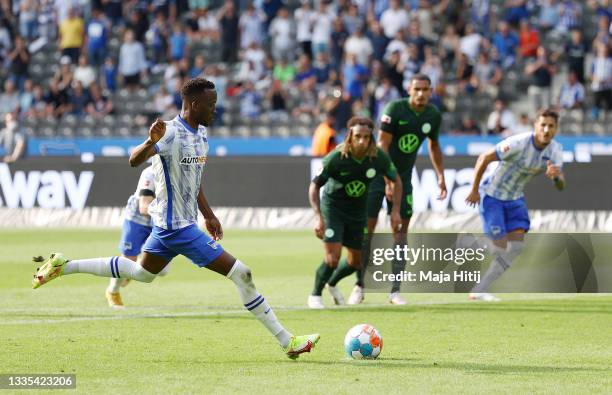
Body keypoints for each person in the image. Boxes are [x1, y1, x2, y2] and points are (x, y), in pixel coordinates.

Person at [31, 78, 320, 359]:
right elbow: (134, 160)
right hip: (177, 228)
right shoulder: (168, 132)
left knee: (142, 273)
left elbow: (194, 181)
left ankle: (65, 265)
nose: (215, 109)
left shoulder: (202, 133)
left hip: (174, 226)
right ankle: (287, 341)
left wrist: (209, 215)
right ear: (194, 104)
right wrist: (149, 142)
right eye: (211, 104)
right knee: (242, 273)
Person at [349, 74, 447, 306]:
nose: (421, 93)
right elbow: (382, 145)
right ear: (409, 90)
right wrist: (387, 180)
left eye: (425, 89)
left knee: (401, 234)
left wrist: (440, 174)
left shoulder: (433, 115)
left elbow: (434, 146)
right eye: (417, 89)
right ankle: (359, 285)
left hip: (404, 178)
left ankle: (395, 290)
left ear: (430, 91)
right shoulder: (395, 108)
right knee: (368, 232)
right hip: (376, 176)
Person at [465, 108, 565, 301]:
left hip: (515, 199)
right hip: (492, 195)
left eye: (551, 126)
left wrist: (556, 178)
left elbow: (561, 185)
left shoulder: (555, 151)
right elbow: (484, 158)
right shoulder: (518, 143)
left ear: (556, 129)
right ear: (535, 126)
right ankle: (472, 245)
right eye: (542, 125)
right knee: (500, 246)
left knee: (516, 248)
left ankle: (480, 289)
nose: (546, 130)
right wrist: (474, 190)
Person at [307, 117, 402, 309]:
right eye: (358, 136)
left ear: (371, 138)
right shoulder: (336, 158)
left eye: (366, 137)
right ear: (350, 136)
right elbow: (314, 187)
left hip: (358, 212)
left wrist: (396, 211)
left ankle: (331, 283)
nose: (362, 141)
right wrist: (319, 217)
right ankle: (315, 295)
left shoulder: (378, 158)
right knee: (332, 258)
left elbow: (397, 181)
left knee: (356, 261)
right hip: (333, 209)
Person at [105, 165, 170, 308]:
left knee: (163, 269)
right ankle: (112, 291)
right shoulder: (150, 173)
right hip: (137, 220)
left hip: (160, 222)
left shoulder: (180, 172)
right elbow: (143, 207)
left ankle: (136, 266)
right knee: (128, 259)